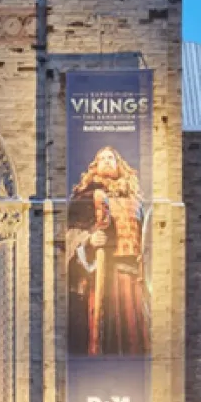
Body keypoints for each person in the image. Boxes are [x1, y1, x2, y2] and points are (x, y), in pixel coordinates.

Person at [66, 146, 150, 359]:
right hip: (101, 275)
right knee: (103, 329)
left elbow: (146, 237)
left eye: (110, 157)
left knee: (133, 329)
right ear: (94, 166)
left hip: (131, 278)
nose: (106, 161)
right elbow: (69, 232)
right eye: (101, 158)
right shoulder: (84, 197)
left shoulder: (135, 201)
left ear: (119, 164)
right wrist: (88, 241)